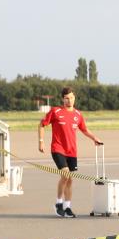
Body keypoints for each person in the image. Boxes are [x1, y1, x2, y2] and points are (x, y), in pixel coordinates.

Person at [38, 87, 103, 218]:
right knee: (65, 174)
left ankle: (67, 207)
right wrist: (41, 141)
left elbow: (84, 129)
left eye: (71, 98)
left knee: (70, 179)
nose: (69, 100)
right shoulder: (55, 111)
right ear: (63, 99)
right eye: (67, 98)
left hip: (72, 151)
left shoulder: (78, 114)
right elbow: (41, 125)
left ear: (74, 98)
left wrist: (94, 138)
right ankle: (58, 203)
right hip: (58, 148)